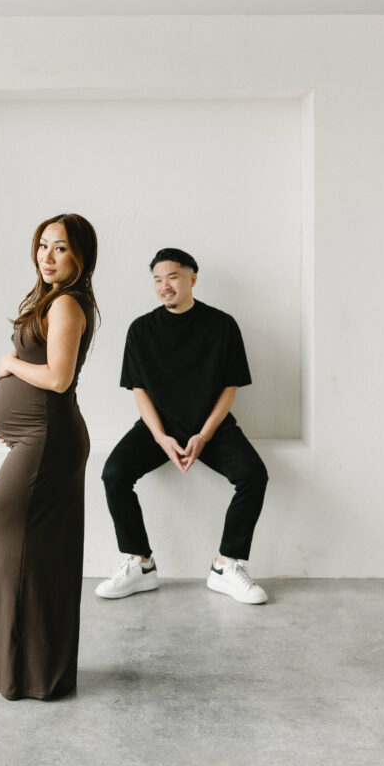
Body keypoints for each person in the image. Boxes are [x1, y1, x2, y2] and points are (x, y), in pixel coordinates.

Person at [0, 213, 98, 700]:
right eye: (43, 245)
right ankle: (25, 671)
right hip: (39, 437)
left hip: (47, 440)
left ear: (80, 255)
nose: (48, 256)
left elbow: (58, 379)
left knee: (8, 539)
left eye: (60, 247)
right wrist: (13, 418)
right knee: (32, 553)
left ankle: (24, 672)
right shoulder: (52, 299)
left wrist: (9, 364)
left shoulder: (66, 303)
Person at [96, 248, 269, 605]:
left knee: (254, 475)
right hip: (159, 427)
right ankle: (141, 563)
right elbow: (139, 390)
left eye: (172, 277)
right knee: (114, 473)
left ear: (192, 278)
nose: (165, 286)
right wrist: (160, 438)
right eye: (157, 280)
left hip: (211, 427)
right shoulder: (141, 329)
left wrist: (204, 435)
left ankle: (226, 564)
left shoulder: (222, 325)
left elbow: (230, 387)